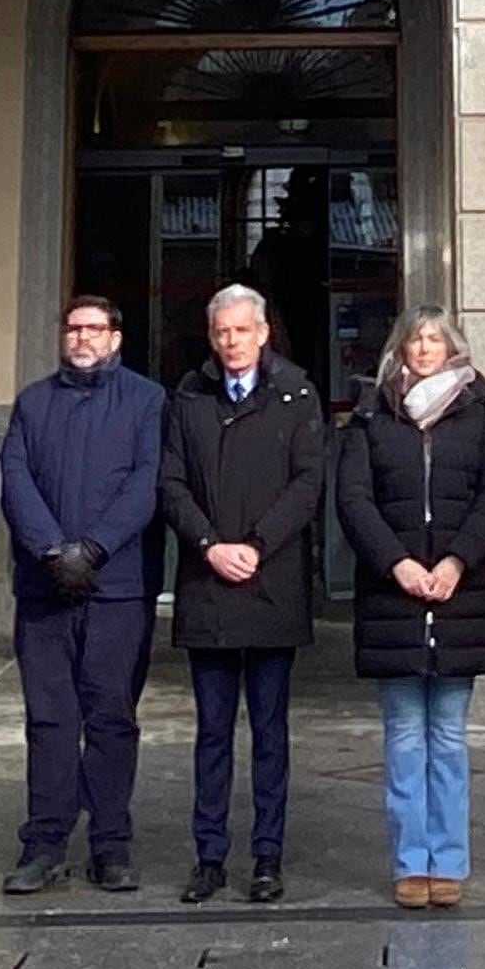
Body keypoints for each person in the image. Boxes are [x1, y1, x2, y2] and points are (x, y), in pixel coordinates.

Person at [337, 310, 485, 908]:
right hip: (394, 598)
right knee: (406, 738)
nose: (424, 348)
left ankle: (450, 861)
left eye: (435, 339)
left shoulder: (481, 413)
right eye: (414, 339)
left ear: (452, 349)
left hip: (460, 596)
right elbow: (354, 499)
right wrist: (398, 564)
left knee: (449, 738)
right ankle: (412, 862)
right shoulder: (372, 414)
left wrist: (458, 561)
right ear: (400, 347)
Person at [160, 283, 325, 906]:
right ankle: (209, 857)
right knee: (211, 733)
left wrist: (257, 543)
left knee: (270, 733)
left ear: (263, 333)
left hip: (270, 582)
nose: (231, 342)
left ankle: (267, 855)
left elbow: (309, 482)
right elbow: (171, 481)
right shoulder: (189, 396)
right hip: (208, 584)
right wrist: (209, 545)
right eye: (221, 332)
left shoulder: (296, 394)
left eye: (241, 330)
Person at [2, 292, 167, 896]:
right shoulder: (32, 402)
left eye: (94, 329)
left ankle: (110, 845)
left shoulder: (147, 401)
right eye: (73, 328)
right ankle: (44, 845)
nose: (82, 338)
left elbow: (146, 483)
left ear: (115, 337)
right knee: (49, 721)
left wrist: (93, 548)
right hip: (44, 589)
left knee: (111, 720)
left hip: (117, 589)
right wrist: (52, 550)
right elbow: (14, 478)